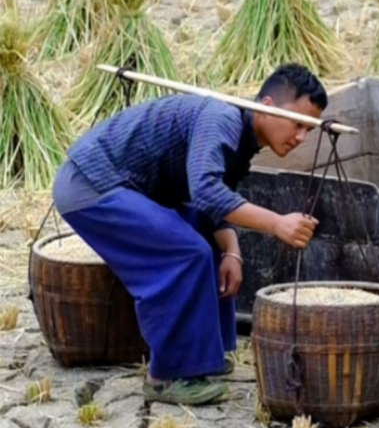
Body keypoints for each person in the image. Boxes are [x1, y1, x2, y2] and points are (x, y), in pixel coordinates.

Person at [52, 63, 327, 406]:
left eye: (310, 131)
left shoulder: (244, 140)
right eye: (298, 124)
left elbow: (212, 203)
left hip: (130, 188)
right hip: (92, 183)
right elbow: (207, 192)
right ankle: (166, 376)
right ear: (268, 107)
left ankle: (205, 357)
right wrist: (277, 223)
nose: (301, 137)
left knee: (208, 243)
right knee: (186, 252)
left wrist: (232, 252)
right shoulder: (223, 119)